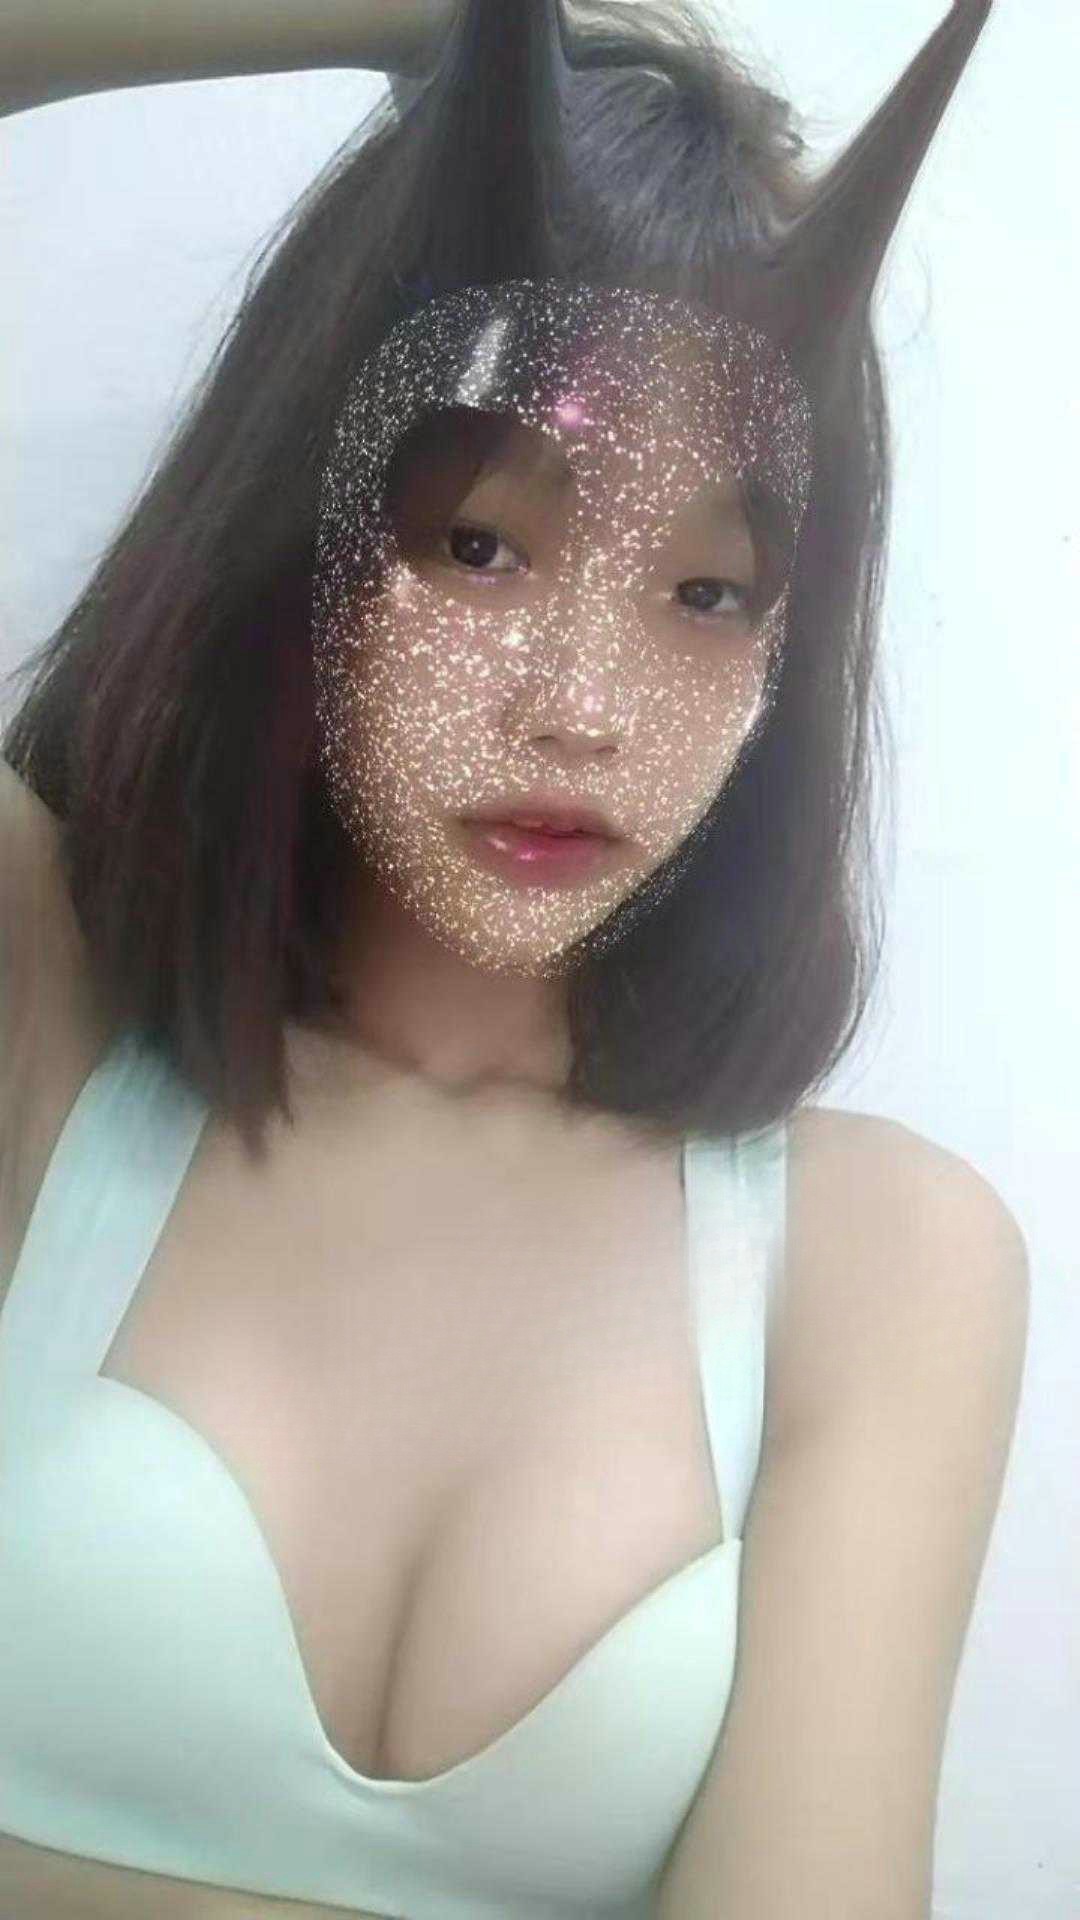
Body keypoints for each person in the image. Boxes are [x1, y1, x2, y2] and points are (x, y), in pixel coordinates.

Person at [0, 3, 1029, 1917]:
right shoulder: (41, 1008)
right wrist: (445, 21)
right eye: (481, 546)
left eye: (706, 590)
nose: (582, 707)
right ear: (298, 523)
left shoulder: (879, 1262)